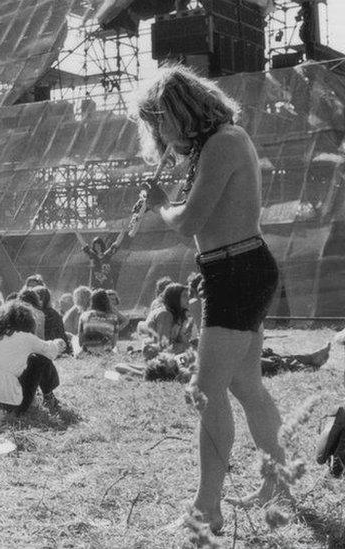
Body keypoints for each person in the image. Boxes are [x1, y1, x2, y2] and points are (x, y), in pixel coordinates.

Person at [136, 64, 287, 532]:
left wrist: (161, 200)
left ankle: (207, 509)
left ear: (180, 109)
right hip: (234, 268)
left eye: (159, 120)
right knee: (245, 386)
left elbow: (189, 221)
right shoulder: (214, 146)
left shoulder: (224, 141)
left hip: (239, 270)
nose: (158, 132)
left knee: (206, 391)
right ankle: (278, 481)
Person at [0, 299, 67, 415]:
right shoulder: (24, 337)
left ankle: (43, 397)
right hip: (9, 406)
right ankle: (49, 397)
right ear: (27, 320)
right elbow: (50, 351)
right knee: (39, 359)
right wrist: (58, 342)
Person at [141, 283, 191, 353]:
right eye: (184, 296)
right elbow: (163, 346)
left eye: (188, 295)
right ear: (175, 298)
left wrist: (192, 347)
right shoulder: (165, 314)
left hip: (169, 350)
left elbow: (180, 337)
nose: (188, 298)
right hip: (154, 353)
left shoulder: (179, 314)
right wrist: (188, 348)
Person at [77, 289, 126, 354]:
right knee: (115, 349)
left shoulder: (84, 316)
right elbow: (113, 344)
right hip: (106, 352)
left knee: (74, 338)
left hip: (87, 352)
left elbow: (80, 342)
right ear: (107, 301)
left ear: (92, 301)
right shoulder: (114, 318)